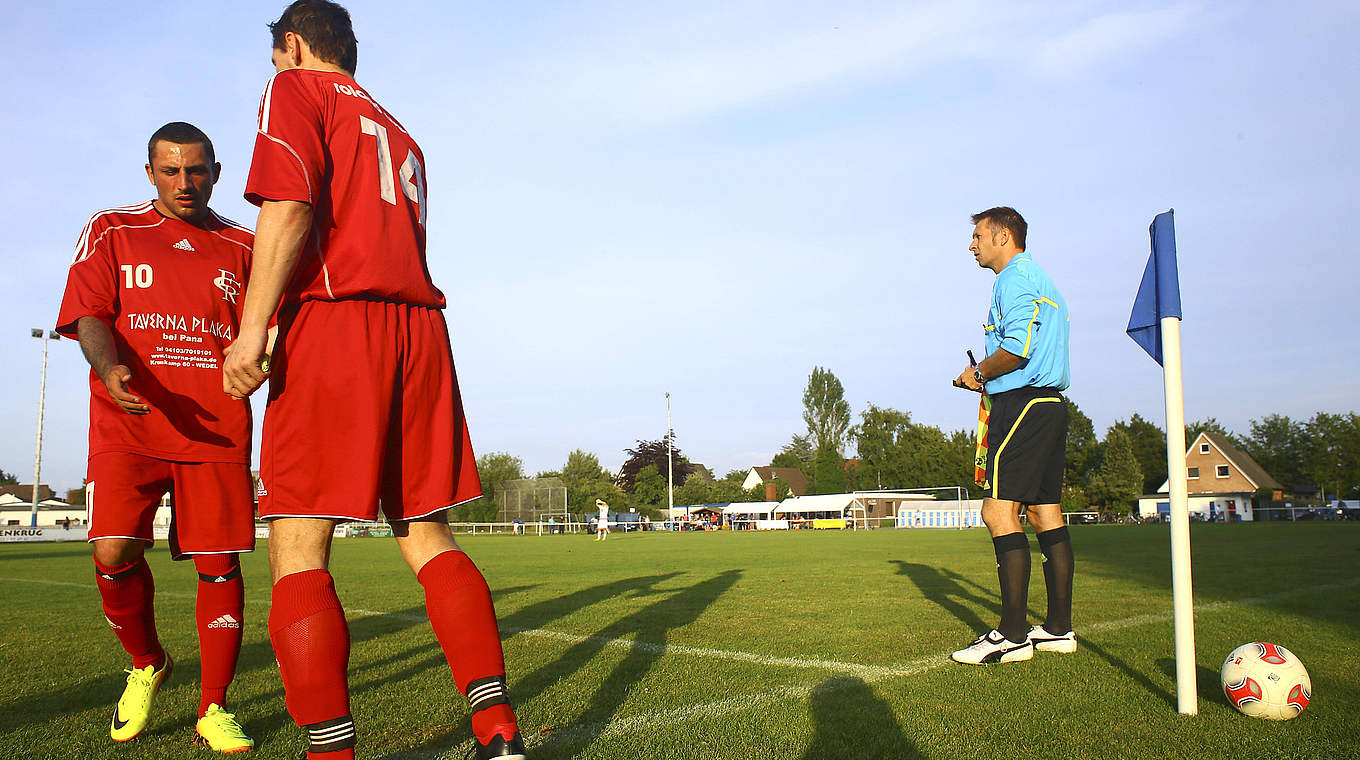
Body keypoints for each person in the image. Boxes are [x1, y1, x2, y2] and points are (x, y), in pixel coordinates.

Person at [221, 3, 525, 758]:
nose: (272, 69)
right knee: (426, 532)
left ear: (293, 45)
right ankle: (497, 728)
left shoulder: (297, 92)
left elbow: (290, 205)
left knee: (297, 541)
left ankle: (331, 749)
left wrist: (252, 330)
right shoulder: (401, 129)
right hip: (419, 329)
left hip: (337, 322)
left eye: (275, 55)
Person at [56, 122, 257, 752]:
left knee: (219, 564)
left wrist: (264, 360)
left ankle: (214, 708)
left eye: (196, 170)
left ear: (216, 173)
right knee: (112, 552)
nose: (184, 182)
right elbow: (89, 311)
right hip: (129, 420)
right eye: (170, 170)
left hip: (216, 428)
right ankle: (147, 661)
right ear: (150, 173)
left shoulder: (246, 247)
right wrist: (107, 365)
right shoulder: (113, 229)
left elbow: (272, 333)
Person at [950, 206, 1076, 666]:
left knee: (997, 511)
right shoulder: (1043, 280)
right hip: (1049, 406)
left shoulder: (1013, 279)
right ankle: (1059, 629)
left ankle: (1011, 635)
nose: (972, 244)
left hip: (1022, 403)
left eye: (978, 235)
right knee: (1046, 514)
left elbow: (1018, 347)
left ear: (1003, 236)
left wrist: (978, 373)